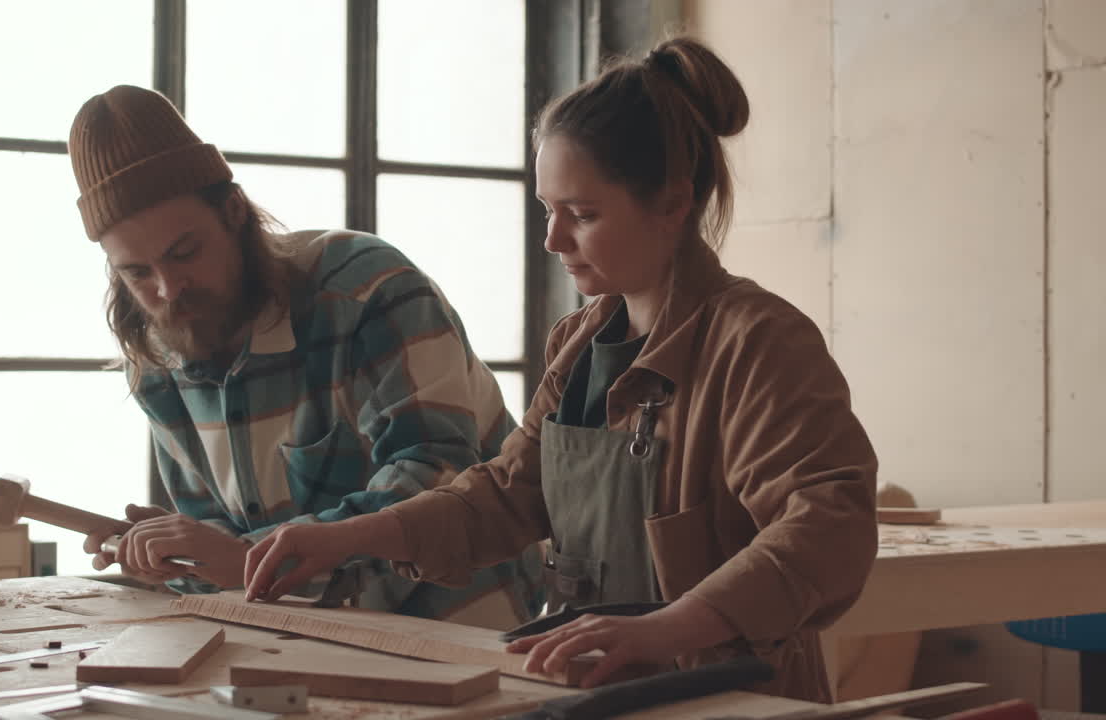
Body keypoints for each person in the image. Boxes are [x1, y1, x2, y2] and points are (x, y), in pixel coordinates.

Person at [243, 37, 879, 701]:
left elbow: (828, 528)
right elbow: (508, 493)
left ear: (671, 204)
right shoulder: (580, 344)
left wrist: (667, 629)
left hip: (734, 701)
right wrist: (342, 537)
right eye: (548, 211)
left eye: (582, 215)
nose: (553, 240)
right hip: (595, 690)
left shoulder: (758, 341)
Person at [66, 85, 542, 628]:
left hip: (464, 618)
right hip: (303, 630)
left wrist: (248, 561)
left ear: (234, 212)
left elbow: (438, 480)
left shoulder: (368, 290)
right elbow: (231, 547)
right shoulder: (157, 356)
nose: (169, 289)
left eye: (185, 253)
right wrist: (181, 554)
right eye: (137, 273)